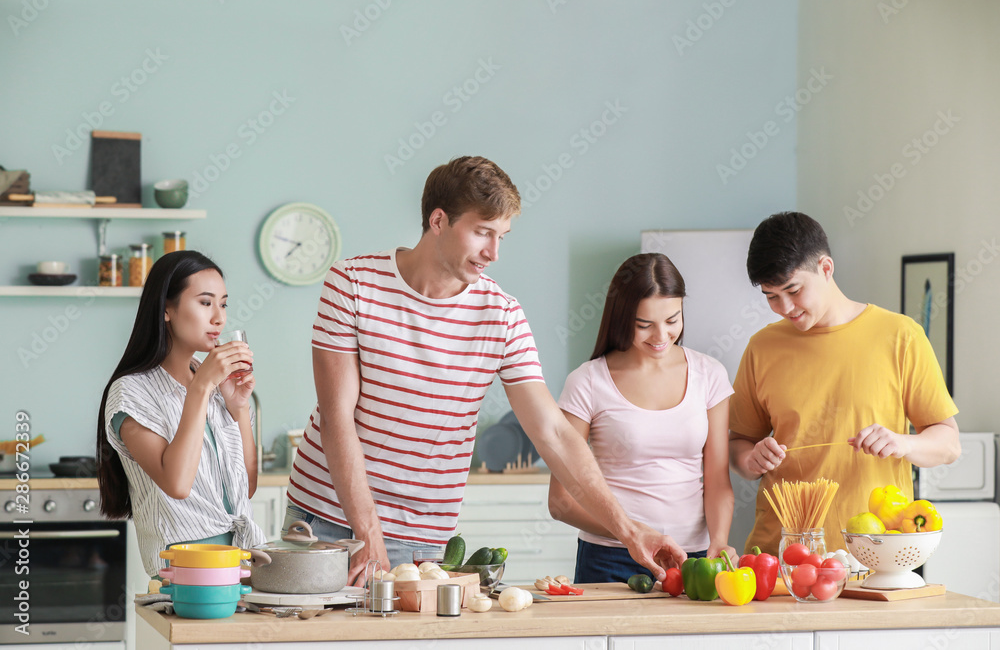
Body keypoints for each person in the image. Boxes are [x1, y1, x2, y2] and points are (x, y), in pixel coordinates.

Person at [285, 156, 686, 584]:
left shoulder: (502, 314)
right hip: (330, 520)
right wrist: (367, 530)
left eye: (502, 236)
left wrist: (628, 531)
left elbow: (551, 431)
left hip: (426, 537)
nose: (494, 253)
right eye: (482, 232)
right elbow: (336, 417)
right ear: (438, 221)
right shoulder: (353, 283)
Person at [728, 212, 960, 555]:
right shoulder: (762, 347)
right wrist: (750, 461)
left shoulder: (901, 336)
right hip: (780, 555)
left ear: (826, 268)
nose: (785, 307)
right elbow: (739, 443)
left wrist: (902, 443)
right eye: (771, 296)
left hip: (873, 554)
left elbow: (949, 444)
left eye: (793, 290)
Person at [548, 253, 735, 583]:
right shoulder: (588, 381)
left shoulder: (710, 374)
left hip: (691, 559)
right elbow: (560, 501)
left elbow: (718, 480)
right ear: (621, 318)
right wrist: (631, 533)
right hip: (609, 557)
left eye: (672, 320)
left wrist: (718, 541)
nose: (661, 336)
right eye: (644, 325)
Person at [96, 251, 266, 578]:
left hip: (240, 562)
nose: (219, 318)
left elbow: (247, 487)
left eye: (224, 304)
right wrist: (200, 389)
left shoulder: (214, 384)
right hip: (185, 569)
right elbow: (176, 483)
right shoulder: (132, 392)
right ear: (167, 310)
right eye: (205, 303)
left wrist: (238, 406)